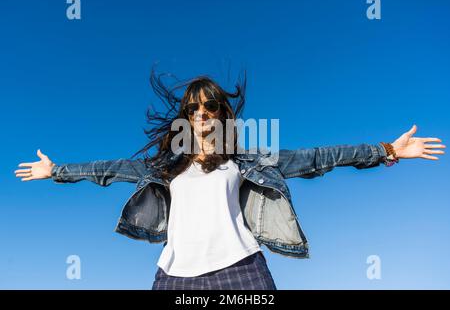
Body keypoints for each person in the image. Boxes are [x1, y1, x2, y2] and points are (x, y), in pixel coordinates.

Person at [14, 69, 445, 290]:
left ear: (222, 115)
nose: (202, 114)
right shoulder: (164, 168)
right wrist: (56, 172)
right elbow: (106, 169)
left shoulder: (246, 161)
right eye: (193, 109)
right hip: (174, 279)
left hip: (241, 274)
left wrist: (387, 150)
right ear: (186, 118)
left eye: (210, 107)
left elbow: (319, 157)